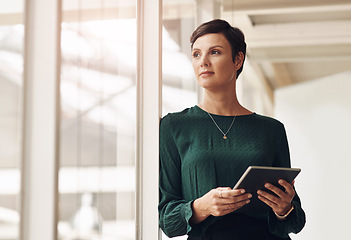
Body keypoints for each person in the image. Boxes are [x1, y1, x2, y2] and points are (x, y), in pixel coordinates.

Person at [158, 19, 306, 240]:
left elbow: (296, 220)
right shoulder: (174, 126)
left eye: (214, 52)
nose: (203, 62)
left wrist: (284, 208)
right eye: (196, 54)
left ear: (238, 60)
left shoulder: (271, 129)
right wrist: (201, 207)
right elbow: (167, 220)